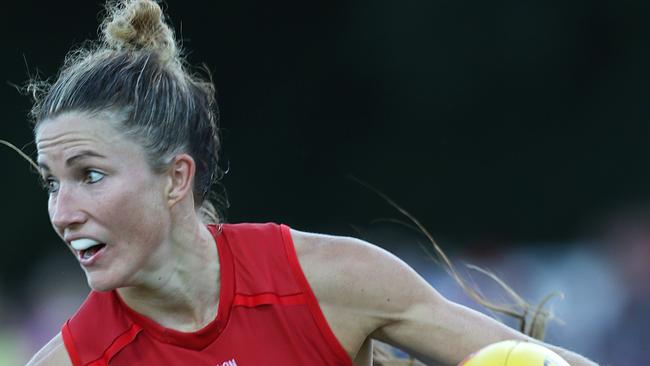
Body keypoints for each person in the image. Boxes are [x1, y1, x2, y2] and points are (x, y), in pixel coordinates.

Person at [21, 1, 599, 365]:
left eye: (89, 176)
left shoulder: (329, 281)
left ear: (176, 179)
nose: (63, 211)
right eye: (52, 182)